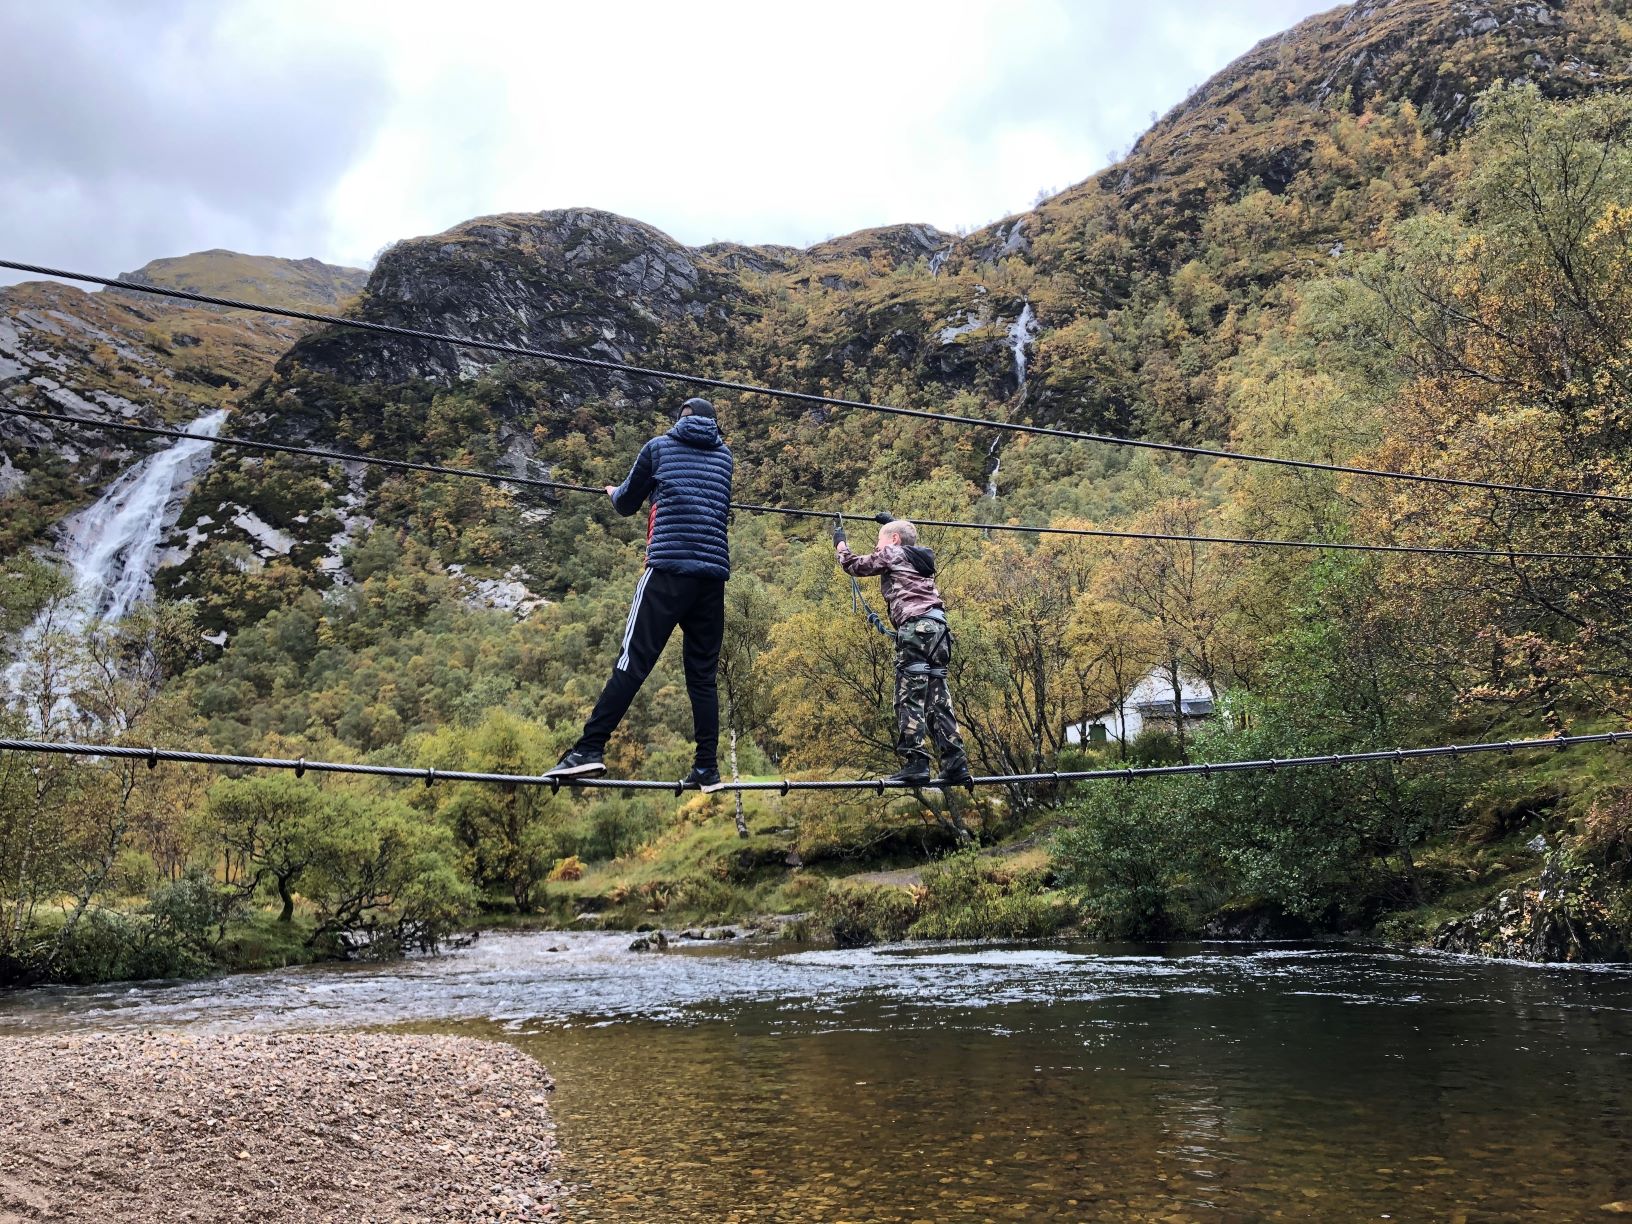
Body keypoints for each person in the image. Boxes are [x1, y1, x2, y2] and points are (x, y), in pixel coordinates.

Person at [546, 397, 733, 792]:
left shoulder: (659, 447)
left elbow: (628, 503)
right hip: (712, 581)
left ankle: (589, 749)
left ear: (680, 420)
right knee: (703, 678)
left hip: (667, 570)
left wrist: (614, 491)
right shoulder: (725, 457)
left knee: (633, 661)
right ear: (714, 424)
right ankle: (707, 768)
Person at [834, 516, 974, 787]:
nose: (877, 547)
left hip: (915, 628)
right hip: (939, 630)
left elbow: (854, 565)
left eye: (879, 541)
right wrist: (893, 523)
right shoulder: (919, 558)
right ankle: (955, 763)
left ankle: (916, 762)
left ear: (894, 540)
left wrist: (840, 544)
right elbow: (903, 534)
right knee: (938, 698)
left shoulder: (893, 551)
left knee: (908, 697)